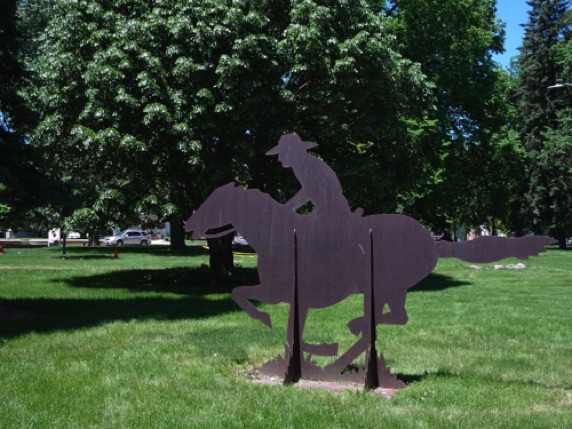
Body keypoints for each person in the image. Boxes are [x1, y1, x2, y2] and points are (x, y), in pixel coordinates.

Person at [266, 133, 352, 217]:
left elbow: (310, 190)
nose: (279, 158)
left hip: (334, 212)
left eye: (282, 153)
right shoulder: (301, 165)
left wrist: (288, 207)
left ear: (291, 151)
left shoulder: (309, 165)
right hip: (326, 210)